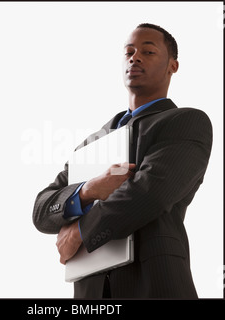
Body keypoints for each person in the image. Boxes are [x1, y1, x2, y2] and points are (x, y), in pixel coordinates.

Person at [32, 23, 213, 299]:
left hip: (154, 285)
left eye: (148, 51)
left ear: (172, 66)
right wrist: (88, 189)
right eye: (129, 52)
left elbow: (150, 193)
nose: (135, 57)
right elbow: (42, 209)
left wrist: (80, 231)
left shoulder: (186, 122)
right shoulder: (90, 145)